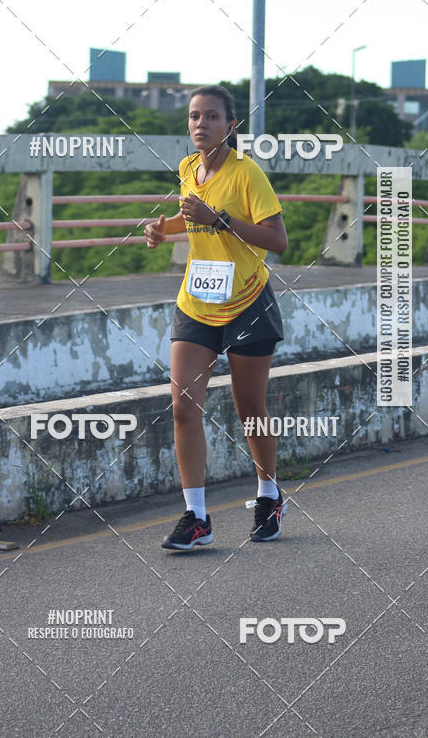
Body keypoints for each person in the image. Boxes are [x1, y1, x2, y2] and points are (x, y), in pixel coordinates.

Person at [144, 85, 288, 550]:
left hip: (247, 301)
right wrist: (162, 229)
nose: (200, 124)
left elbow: (277, 240)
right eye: (193, 116)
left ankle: (268, 493)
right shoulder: (189, 167)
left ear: (232, 125)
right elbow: (192, 217)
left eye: (211, 116)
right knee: (183, 407)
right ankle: (197, 517)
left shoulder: (248, 174)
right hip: (197, 303)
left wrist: (220, 218)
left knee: (250, 410)